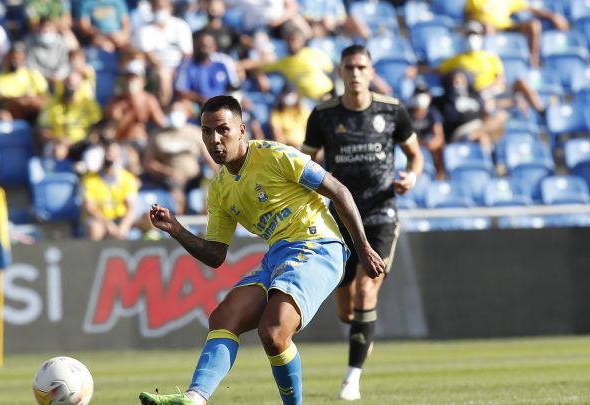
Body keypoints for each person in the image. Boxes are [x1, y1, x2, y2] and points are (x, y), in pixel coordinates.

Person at [138, 95, 386, 405]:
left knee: (273, 331)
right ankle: (195, 398)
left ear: (241, 130)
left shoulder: (275, 156)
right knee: (224, 316)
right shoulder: (218, 190)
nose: (213, 140)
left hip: (318, 246)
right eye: (206, 131)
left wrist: (362, 247)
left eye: (222, 130)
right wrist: (175, 229)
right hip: (279, 256)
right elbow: (216, 255)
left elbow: (338, 190)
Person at [301, 44, 424, 401]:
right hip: (339, 218)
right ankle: (363, 328)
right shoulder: (323, 115)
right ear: (340, 72)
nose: (355, 74)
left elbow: (415, 155)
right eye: (348, 68)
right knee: (347, 308)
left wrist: (411, 178)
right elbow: (303, 164)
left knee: (366, 289)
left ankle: (351, 379)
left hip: (381, 214)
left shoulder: (393, 110)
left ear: (370, 71)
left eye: (361, 67)